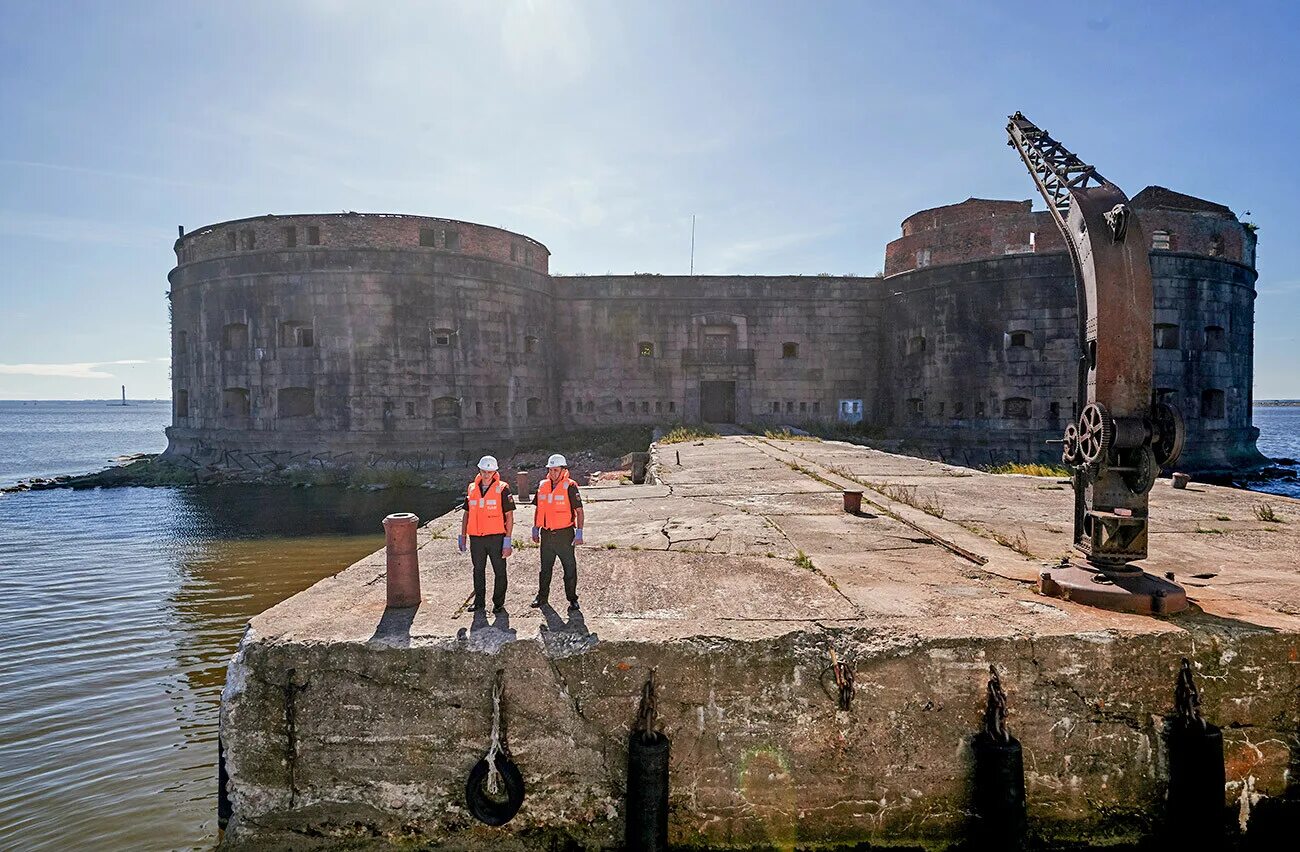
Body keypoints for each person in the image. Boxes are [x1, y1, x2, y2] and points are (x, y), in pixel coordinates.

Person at [458, 455, 515, 613]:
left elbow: (509, 515)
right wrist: (462, 536)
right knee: (478, 570)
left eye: (489, 472)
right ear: (479, 470)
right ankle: (479, 602)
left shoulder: (503, 489)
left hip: (496, 537)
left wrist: (507, 540)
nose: (486, 475)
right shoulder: (472, 488)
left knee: (499, 571)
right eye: (484, 471)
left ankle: (498, 603)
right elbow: (466, 514)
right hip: (476, 538)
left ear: (494, 472)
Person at [530, 453, 585, 611]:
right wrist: (535, 527)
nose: (553, 473)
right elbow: (539, 509)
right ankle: (542, 597)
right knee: (545, 569)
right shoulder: (543, 486)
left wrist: (580, 531)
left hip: (564, 534)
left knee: (569, 568)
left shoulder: (570, 486)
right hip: (546, 534)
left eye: (556, 470)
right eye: (551, 470)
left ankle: (572, 599)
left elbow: (579, 511)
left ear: (563, 470)